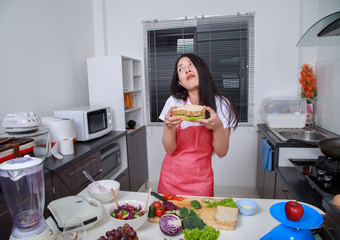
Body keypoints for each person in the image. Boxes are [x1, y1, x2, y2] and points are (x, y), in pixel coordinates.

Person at [158, 53, 239, 197]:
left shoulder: (221, 104)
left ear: (202, 70)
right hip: (170, 180)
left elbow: (221, 152)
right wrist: (167, 126)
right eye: (181, 69)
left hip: (201, 182)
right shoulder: (174, 103)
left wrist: (218, 127)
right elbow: (170, 149)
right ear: (180, 82)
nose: (187, 70)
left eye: (191, 64)